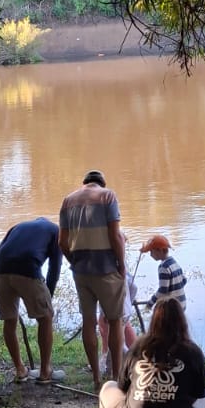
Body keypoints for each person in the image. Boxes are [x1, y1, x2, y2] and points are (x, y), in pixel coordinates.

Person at [99, 298, 205, 408]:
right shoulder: (194, 353)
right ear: (182, 321)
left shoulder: (138, 348)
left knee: (109, 387)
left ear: (153, 321)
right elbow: (198, 393)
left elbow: (123, 387)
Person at [59, 167, 128, 390]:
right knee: (115, 321)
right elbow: (115, 235)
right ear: (101, 184)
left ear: (85, 183)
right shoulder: (108, 196)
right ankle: (116, 378)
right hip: (107, 269)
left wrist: (73, 261)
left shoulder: (68, 201)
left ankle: (97, 378)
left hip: (81, 271)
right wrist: (121, 265)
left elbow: (62, 242)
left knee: (88, 321)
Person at [0, 216, 62, 384]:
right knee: (45, 318)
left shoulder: (18, 227)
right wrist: (48, 298)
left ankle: (20, 370)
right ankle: (45, 371)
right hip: (27, 267)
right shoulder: (56, 232)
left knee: (10, 320)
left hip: (0, 268)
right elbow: (54, 268)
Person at [137, 232, 187, 313]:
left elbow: (163, 290)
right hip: (182, 304)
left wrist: (150, 303)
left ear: (159, 250)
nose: (150, 255)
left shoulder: (163, 267)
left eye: (151, 251)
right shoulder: (174, 262)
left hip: (173, 308)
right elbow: (184, 280)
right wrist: (175, 290)